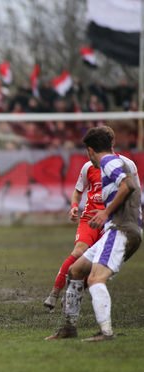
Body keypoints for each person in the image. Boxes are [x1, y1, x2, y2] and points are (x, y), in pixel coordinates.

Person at [46, 126, 142, 342]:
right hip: (118, 228)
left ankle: (106, 332)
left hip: (121, 229)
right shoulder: (122, 162)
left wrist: (106, 212)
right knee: (76, 269)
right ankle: (68, 328)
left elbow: (128, 186)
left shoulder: (108, 162)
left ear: (90, 150)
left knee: (96, 278)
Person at [43, 159, 104, 311]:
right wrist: (74, 207)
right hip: (89, 218)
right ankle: (55, 292)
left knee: (97, 264)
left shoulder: (123, 165)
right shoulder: (88, 167)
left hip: (109, 222)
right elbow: (78, 191)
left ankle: (71, 294)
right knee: (78, 251)